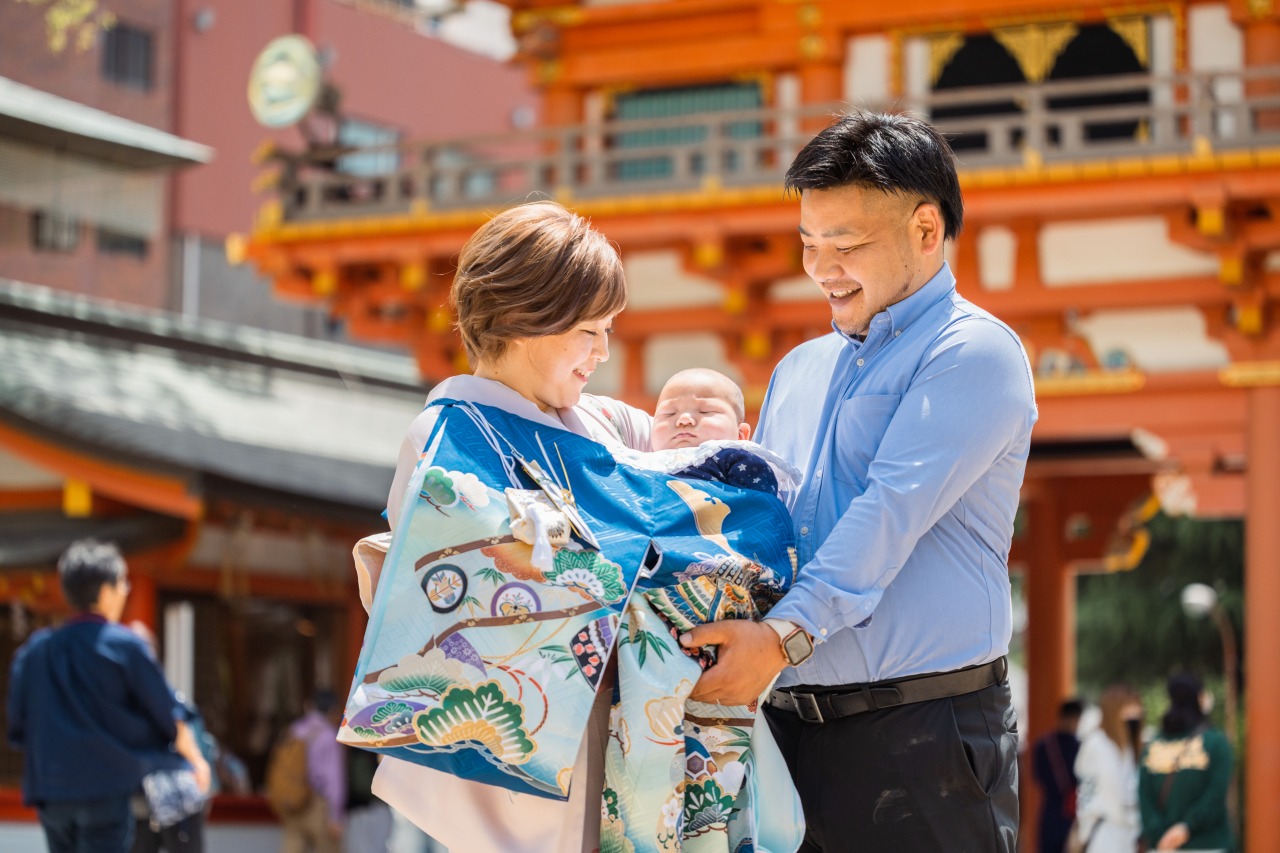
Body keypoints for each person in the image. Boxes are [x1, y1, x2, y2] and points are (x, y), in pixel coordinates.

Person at [679, 110, 1037, 851]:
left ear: (926, 230)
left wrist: (778, 639)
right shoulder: (797, 369)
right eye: (810, 243)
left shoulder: (974, 353)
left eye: (845, 244)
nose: (821, 267)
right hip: (780, 734)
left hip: (921, 739)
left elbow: (888, 513)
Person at [373, 200, 651, 853]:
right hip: (512, 746)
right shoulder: (447, 438)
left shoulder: (606, 426)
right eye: (590, 330)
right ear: (531, 319)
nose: (604, 351)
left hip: (613, 743)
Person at [6, 539, 211, 853]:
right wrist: (197, 762)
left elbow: (18, 726)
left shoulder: (33, 652)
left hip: (50, 791)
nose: (125, 591)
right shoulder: (124, 646)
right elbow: (168, 716)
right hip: (106, 788)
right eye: (122, 584)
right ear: (105, 591)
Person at [1138, 672, 1234, 852]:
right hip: (1209, 844)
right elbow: (1216, 795)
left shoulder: (1153, 745)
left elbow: (1144, 795)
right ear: (1200, 698)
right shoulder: (1217, 742)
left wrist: (1160, 835)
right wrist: (1186, 828)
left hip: (1163, 847)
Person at [648, 367, 780, 494]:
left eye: (705, 411)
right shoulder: (639, 464)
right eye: (669, 413)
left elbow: (762, 509)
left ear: (741, 434)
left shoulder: (734, 459)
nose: (684, 420)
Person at [1074, 685, 1143, 852]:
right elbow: (1086, 790)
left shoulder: (1127, 746)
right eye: (1128, 707)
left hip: (1130, 833)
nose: (1133, 714)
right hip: (1104, 832)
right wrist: (1085, 829)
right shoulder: (1095, 744)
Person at [281, 689, 347, 853]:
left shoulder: (294, 730)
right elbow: (334, 779)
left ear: (309, 706)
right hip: (319, 803)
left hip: (294, 799)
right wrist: (336, 816)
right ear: (333, 710)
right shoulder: (328, 735)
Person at [1032, 698, 1084, 853]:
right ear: (1076, 718)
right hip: (1073, 815)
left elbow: (1037, 777)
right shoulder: (1080, 748)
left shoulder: (1042, 745)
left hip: (1049, 813)